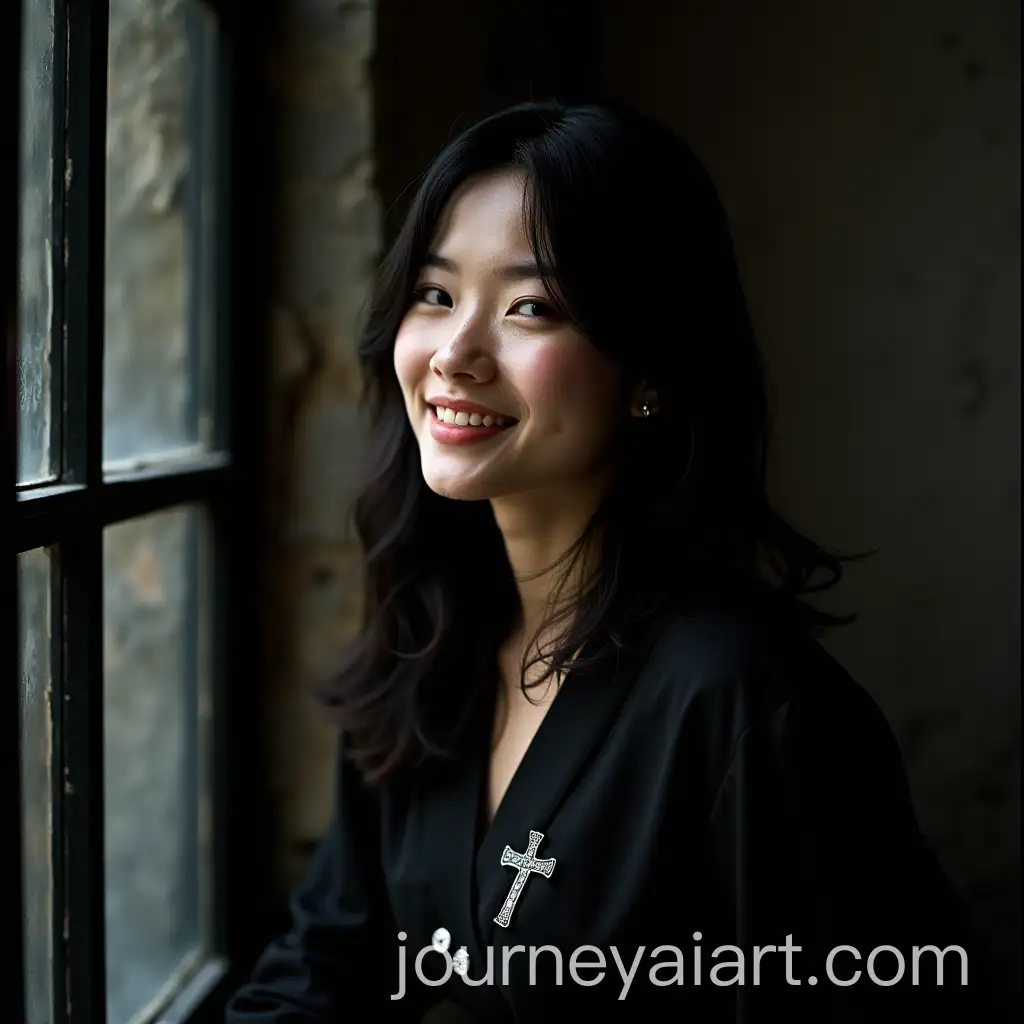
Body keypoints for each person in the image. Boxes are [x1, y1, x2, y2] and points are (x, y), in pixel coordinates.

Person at [225, 100, 995, 1022]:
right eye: (435, 294)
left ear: (652, 372)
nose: (455, 355)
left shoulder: (749, 704)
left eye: (530, 306)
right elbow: (325, 966)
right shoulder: (432, 644)